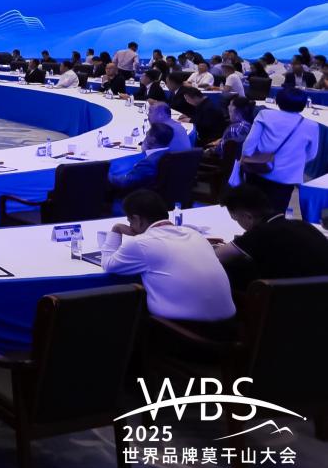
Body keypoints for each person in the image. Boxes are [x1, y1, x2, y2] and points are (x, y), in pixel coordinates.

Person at [103, 189, 236, 325]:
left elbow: (108, 264)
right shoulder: (194, 234)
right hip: (230, 323)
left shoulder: (140, 243)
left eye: (130, 221)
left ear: (137, 219)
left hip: (182, 328)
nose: (130, 226)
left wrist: (116, 229)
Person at [215, 186, 328, 290]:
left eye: (236, 219)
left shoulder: (260, 233)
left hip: (294, 297)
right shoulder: (302, 225)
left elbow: (216, 257)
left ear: (248, 216)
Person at [229, 87, 319, 209]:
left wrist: (245, 159)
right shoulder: (312, 126)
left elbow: (250, 143)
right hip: (287, 177)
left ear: (278, 101)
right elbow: (311, 154)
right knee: (278, 210)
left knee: (253, 207)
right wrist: (292, 162)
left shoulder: (265, 115)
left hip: (259, 169)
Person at [107, 122, 174, 194]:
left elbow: (123, 183)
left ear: (152, 140)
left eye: (147, 134)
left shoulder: (149, 163)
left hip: (141, 197)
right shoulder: (172, 155)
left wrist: (105, 174)